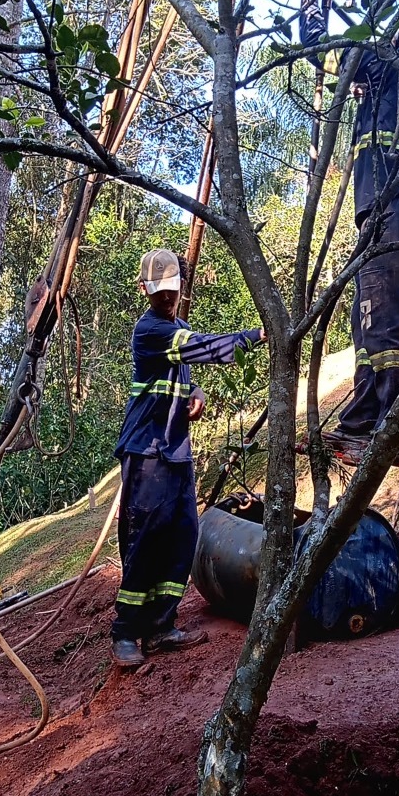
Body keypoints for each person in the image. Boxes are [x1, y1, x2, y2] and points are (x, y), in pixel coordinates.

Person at [291, 0, 399, 469]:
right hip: (398, 210)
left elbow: (320, 49)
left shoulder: (391, 66)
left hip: (390, 209)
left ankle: (386, 432)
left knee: (380, 321)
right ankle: (369, 424)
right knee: (373, 321)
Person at [111, 248, 267, 669]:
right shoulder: (150, 330)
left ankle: (161, 626)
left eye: (172, 287)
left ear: (181, 285)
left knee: (182, 534)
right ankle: (125, 633)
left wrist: (195, 392)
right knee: (144, 539)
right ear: (144, 290)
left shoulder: (178, 329)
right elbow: (198, 347)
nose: (167, 296)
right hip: (146, 450)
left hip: (176, 450)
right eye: (158, 290)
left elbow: (185, 370)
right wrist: (255, 335)